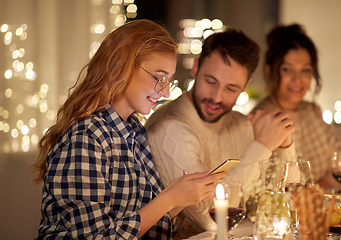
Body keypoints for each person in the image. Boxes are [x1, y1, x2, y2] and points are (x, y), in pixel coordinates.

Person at [31, 19, 227, 240]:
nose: (164, 92)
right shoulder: (86, 138)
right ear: (121, 66)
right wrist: (169, 198)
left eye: (168, 81)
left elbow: (138, 225)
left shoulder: (134, 131)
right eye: (159, 78)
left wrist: (182, 198)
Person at [145, 28, 295, 239]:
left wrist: (285, 143)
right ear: (195, 67)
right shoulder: (170, 129)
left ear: (246, 85)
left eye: (231, 88)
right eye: (211, 81)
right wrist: (261, 146)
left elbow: (287, 200)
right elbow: (210, 220)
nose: (217, 97)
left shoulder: (240, 124)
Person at [251, 24, 341, 189]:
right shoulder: (261, 118)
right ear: (269, 70)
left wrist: (313, 194)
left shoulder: (313, 112)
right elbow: (257, 184)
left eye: (305, 70)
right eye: (287, 69)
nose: (297, 80)